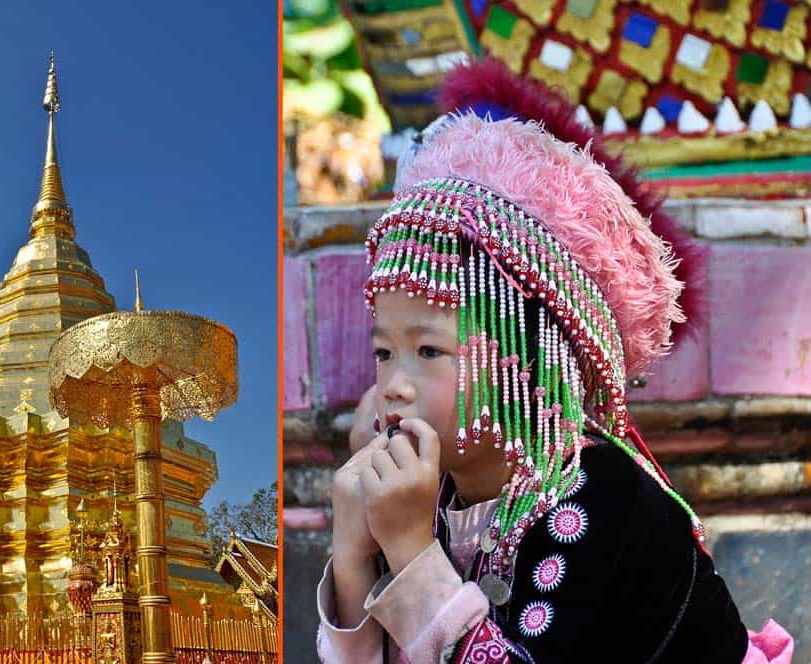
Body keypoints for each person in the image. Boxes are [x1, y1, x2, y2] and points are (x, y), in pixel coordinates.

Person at [316, 59, 795, 663]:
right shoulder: (430, 501)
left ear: (529, 360)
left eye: (429, 350)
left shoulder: (610, 502)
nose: (393, 387)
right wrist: (355, 552)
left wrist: (413, 556)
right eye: (384, 352)